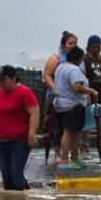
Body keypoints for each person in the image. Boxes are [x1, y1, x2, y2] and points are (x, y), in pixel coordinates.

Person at [0, 64, 39, 190]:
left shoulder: (25, 92)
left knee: (16, 174)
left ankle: (24, 198)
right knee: (6, 176)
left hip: (19, 140)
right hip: (1, 139)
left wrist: (31, 133)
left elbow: (34, 112)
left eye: (4, 80)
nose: (1, 83)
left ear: (13, 79)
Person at [53, 45, 96, 169]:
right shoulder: (74, 70)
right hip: (73, 105)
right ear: (79, 58)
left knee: (74, 132)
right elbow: (76, 87)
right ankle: (65, 159)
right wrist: (91, 91)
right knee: (69, 132)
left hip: (61, 104)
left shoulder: (60, 67)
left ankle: (74, 158)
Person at [41, 31, 77, 162]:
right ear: (63, 45)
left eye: (75, 43)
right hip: (56, 97)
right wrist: (55, 88)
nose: (73, 46)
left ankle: (70, 154)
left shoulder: (77, 59)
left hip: (72, 99)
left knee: (70, 128)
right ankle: (57, 151)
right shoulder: (55, 59)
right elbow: (47, 75)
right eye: (70, 43)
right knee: (55, 126)